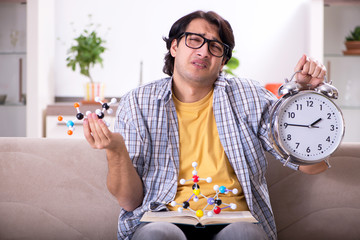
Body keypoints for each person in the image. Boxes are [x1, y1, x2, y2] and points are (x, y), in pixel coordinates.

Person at [83, 10, 328, 240]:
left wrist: (303, 95)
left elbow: (312, 166)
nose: (204, 51)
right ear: (174, 46)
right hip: (161, 218)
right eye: (194, 40)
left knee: (245, 235)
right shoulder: (137, 103)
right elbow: (129, 201)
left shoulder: (250, 97)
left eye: (215, 46)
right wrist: (116, 150)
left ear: (222, 62)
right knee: (156, 235)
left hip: (235, 219)